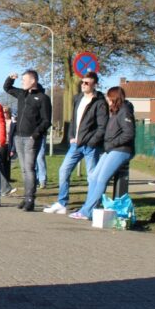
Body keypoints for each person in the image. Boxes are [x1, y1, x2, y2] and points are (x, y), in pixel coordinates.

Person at [43, 72, 108, 215]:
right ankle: (62, 203)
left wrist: (92, 142)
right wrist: (71, 136)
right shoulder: (77, 98)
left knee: (92, 177)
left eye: (87, 83)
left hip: (90, 146)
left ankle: (90, 206)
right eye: (82, 82)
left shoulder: (100, 102)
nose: (83, 85)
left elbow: (102, 126)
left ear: (95, 85)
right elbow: (73, 120)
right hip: (75, 145)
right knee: (63, 170)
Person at [69, 87, 136, 220]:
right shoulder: (115, 111)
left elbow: (129, 134)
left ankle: (87, 211)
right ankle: (88, 208)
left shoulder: (125, 111)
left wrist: (113, 143)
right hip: (110, 149)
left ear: (114, 98)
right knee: (94, 177)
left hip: (121, 150)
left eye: (108, 97)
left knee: (101, 179)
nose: (107, 99)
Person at [4, 70, 53, 212]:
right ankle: (26, 198)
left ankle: (30, 199)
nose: (22, 82)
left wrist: (35, 134)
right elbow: (7, 88)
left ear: (33, 81)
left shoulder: (43, 98)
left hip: (31, 138)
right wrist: (10, 78)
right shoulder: (22, 94)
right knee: (24, 170)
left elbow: (46, 120)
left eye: (24, 80)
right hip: (18, 137)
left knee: (29, 168)